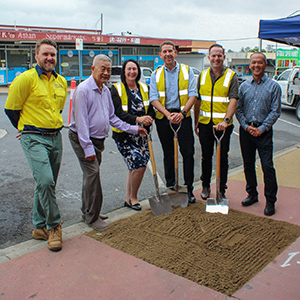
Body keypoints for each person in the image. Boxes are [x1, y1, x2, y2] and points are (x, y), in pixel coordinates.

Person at [68, 55, 147, 231]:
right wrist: (87, 148)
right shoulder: (83, 90)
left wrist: (135, 129)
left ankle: (88, 211)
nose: (105, 73)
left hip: (97, 140)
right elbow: (81, 124)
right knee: (93, 175)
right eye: (102, 68)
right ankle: (93, 217)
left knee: (90, 177)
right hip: (83, 139)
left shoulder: (105, 90)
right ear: (93, 69)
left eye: (109, 70)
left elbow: (113, 118)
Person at [4, 38, 67, 251]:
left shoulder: (62, 82)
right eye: (45, 54)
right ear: (36, 56)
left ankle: (39, 227)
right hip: (34, 138)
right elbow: (11, 109)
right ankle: (54, 226)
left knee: (46, 184)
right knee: (46, 182)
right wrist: (25, 128)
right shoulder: (26, 79)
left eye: (53, 55)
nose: (50, 58)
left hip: (55, 137)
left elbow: (56, 110)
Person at [150, 41, 197, 203]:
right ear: (160, 55)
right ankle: (171, 187)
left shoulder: (187, 70)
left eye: (170, 51)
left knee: (188, 153)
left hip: (183, 116)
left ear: (175, 53)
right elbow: (153, 99)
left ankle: (189, 188)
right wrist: (167, 114)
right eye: (165, 51)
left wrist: (182, 113)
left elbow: (193, 94)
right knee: (168, 154)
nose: (168, 54)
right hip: (164, 118)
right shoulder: (155, 74)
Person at [236, 52, 281, 216]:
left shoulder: (274, 87)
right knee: (248, 164)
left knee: (267, 166)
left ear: (265, 64)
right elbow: (238, 109)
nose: (256, 65)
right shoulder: (243, 86)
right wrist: (246, 127)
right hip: (246, 131)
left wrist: (261, 129)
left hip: (264, 132)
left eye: (260, 62)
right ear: (250, 64)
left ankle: (270, 201)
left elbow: (275, 112)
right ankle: (252, 194)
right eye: (254, 62)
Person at [194, 44, 239, 201]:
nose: (216, 58)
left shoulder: (231, 76)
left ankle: (221, 189)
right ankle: (206, 186)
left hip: (224, 126)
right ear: (209, 57)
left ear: (224, 57)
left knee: (222, 158)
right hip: (206, 124)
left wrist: (226, 121)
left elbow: (233, 100)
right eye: (213, 55)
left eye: (219, 55)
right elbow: (198, 101)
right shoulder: (202, 75)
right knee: (206, 156)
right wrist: (196, 122)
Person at [111, 59, 155, 211]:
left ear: (138, 71)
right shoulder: (116, 89)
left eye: (134, 69)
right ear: (124, 71)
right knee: (139, 165)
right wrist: (137, 119)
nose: (132, 72)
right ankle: (134, 198)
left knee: (133, 168)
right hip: (124, 135)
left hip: (142, 134)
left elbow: (150, 107)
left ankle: (128, 198)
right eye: (129, 69)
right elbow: (117, 113)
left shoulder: (144, 87)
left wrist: (149, 118)